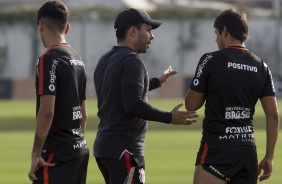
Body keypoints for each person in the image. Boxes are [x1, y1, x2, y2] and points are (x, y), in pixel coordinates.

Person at [93, 8, 198, 184]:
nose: (152, 36)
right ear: (133, 31)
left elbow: (120, 92)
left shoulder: (105, 60)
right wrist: (169, 117)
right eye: (148, 30)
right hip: (125, 150)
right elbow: (133, 103)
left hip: (105, 148)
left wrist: (157, 81)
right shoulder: (132, 61)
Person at [185, 8, 280, 184]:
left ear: (225, 31)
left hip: (217, 150)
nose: (216, 39)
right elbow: (273, 115)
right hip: (247, 152)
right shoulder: (262, 66)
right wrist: (269, 157)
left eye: (216, 33)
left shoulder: (210, 59)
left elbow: (191, 104)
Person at [28, 1, 89, 183]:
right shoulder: (78, 59)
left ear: (41, 25)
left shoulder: (48, 59)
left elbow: (47, 111)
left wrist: (36, 153)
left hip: (55, 157)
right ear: (67, 27)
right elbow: (83, 115)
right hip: (79, 151)